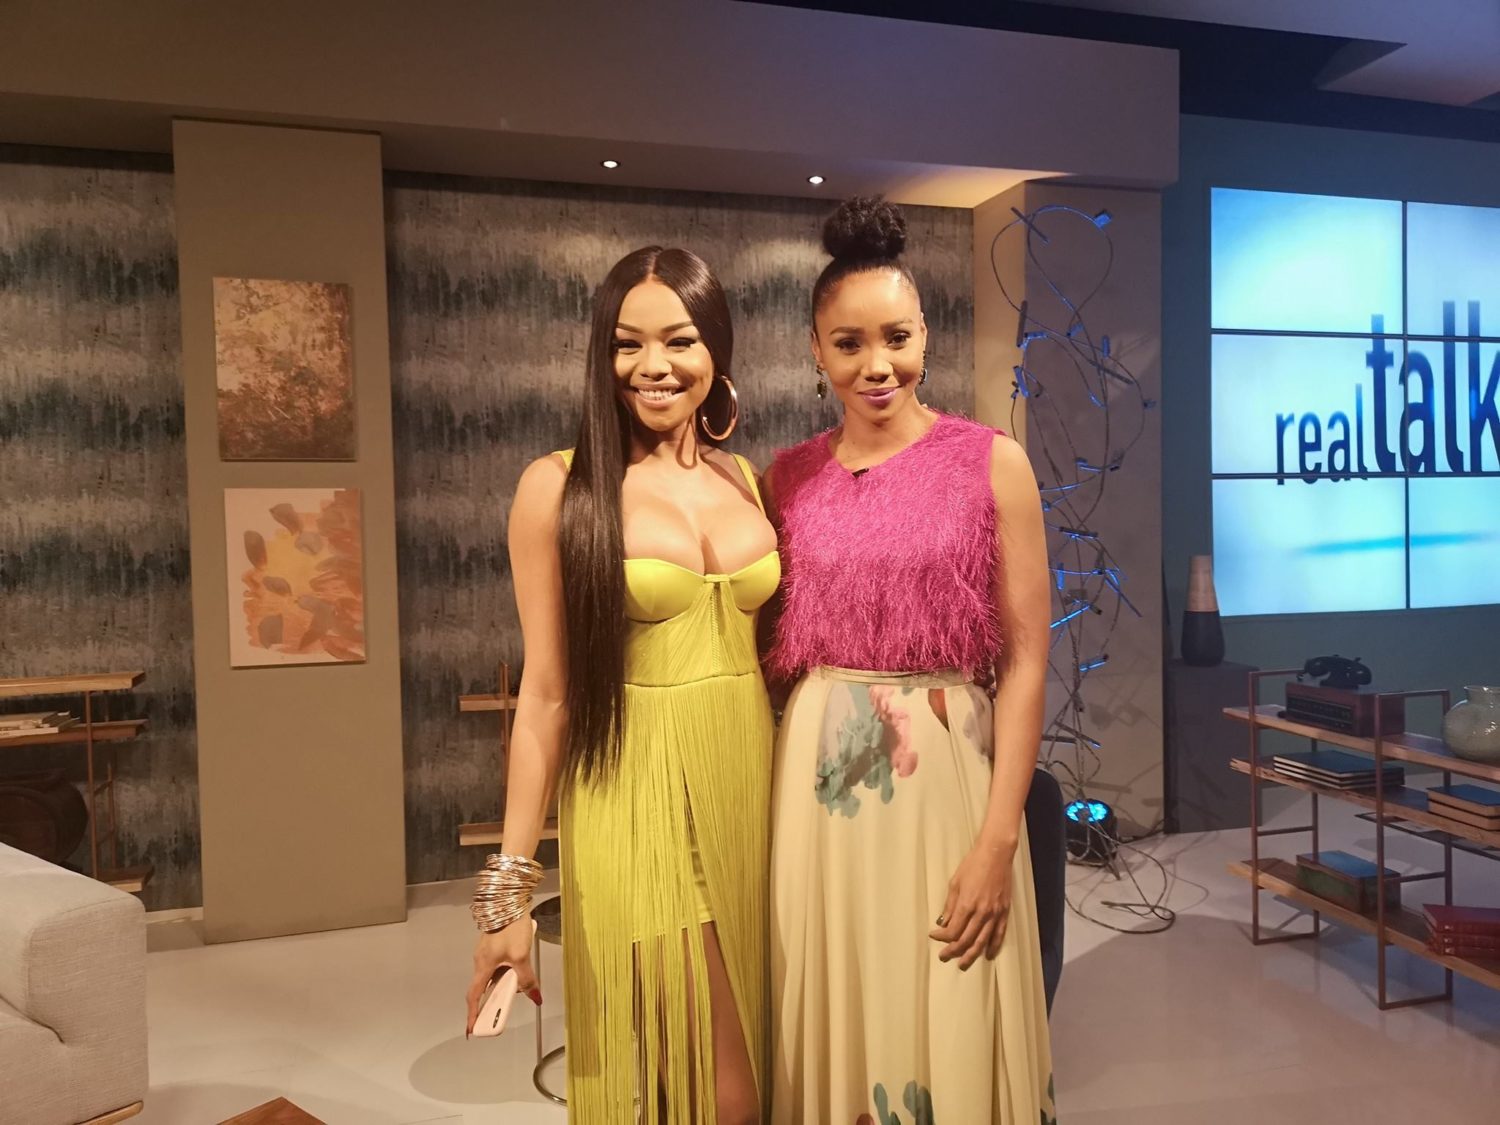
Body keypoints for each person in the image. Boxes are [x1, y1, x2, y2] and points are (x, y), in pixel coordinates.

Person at [464, 245, 779, 1125]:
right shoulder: (559, 487)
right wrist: (506, 894)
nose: (653, 365)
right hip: (640, 806)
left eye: (678, 340)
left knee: (751, 1066)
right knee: (719, 1095)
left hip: (751, 795)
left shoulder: (745, 478)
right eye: (626, 343)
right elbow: (546, 697)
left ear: (716, 348)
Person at [765, 198, 1057, 1123]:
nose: (877, 364)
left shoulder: (991, 462)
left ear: (925, 333)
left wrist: (1000, 837)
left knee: (954, 979)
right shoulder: (786, 477)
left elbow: (1028, 661)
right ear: (816, 350)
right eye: (849, 343)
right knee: (838, 992)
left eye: (896, 337)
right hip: (817, 788)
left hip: (947, 783)